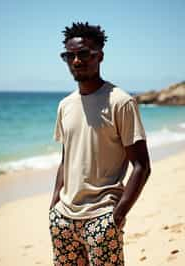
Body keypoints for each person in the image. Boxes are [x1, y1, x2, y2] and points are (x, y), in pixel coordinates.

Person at [49, 22, 151, 266]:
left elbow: (141, 166)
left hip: (102, 218)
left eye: (84, 53)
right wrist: (54, 205)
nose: (76, 61)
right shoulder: (65, 105)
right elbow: (66, 158)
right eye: (69, 55)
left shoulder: (121, 102)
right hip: (63, 219)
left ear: (99, 56)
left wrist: (117, 216)